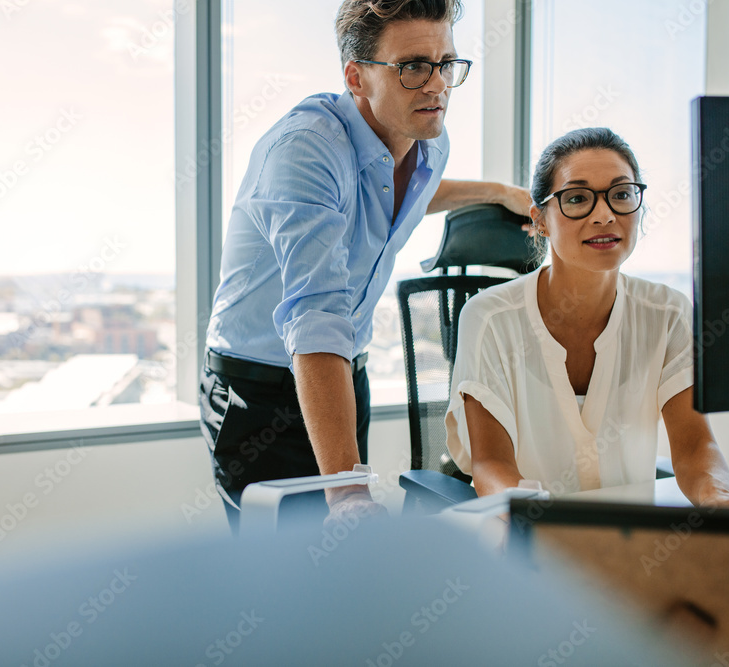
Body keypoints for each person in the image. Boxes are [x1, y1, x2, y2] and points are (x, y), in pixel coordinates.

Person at [199, 0, 532, 532]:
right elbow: (316, 317)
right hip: (258, 387)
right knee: (281, 580)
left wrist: (498, 192)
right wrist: (349, 492)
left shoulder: (428, 140)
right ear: (357, 77)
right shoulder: (305, 151)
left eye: (446, 63)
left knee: (339, 575)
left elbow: (408, 196)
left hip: (342, 373)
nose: (436, 85)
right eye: (413, 66)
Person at [444, 126, 729, 509]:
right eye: (577, 198)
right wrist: (543, 528)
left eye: (621, 194)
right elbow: (491, 464)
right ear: (540, 220)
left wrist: (719, 497)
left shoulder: (668, 313)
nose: (605, 215)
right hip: (522, 546)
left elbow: (695, 445)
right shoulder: (490, 317)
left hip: (628, 547)